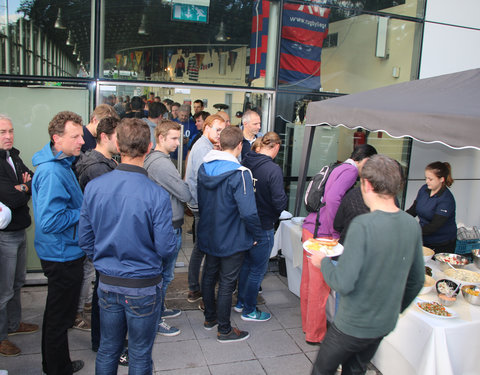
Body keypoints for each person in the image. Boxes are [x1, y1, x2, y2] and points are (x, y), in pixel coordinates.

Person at [309, 154, 424, 375]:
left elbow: (343, 282)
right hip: (383, 323)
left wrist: (322, 263)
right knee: (356, 369)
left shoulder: (363, 225)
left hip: (352, 324)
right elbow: (417, 280)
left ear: (367, 184)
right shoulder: (411, 225)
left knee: (322, 370)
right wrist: (394, 310)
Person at [79, 118, 176, 374]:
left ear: (118, 145)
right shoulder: (156, 194)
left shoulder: (95, 187)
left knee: (108, 348)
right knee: (140, 352)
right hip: (143, 286)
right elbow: (166, 248)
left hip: (108, 283)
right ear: (150, 147)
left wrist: (104, 261)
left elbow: (85, 239)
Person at [301, 144, 377, 345]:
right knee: (320, 288)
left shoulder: (339, 166)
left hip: (310, 228)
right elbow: (334, 199)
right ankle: (315, 334)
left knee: (308, 284)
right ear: (365, 160)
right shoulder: (351, 171)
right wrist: (336, 231)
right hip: (323, 234)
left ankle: (307, 325)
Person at [31, 111, 86, 374]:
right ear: (57, 138)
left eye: (81, 136)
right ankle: (56, 368)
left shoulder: (61, 162)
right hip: (62, 254)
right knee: (58, 317)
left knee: (59, 315)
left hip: (64, 250)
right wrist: (85, 212)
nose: (81, 141)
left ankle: (59, 364)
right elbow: (50, 222)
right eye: (75, 136)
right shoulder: (53, 171)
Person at [197, 126, 263, 342]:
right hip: (233, 236)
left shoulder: (203, 168)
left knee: (209, 276)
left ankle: (210, 318)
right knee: (226, 283)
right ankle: (224, 329)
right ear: (239, 146)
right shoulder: (241, 174)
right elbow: (249, 212)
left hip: (208, 233)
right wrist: (256, 234)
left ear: (220, 144)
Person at [144, 120, 194, 337]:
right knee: (163, 276)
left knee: (164, 275)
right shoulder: (161, 164)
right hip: (166, 226)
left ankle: (159, 309)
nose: (177, 142)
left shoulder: (159, 160)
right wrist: (183, 185)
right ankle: (155, 319)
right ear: (161, 138)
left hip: (164, 223)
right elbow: (185, 193)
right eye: (173, 138)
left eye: (178, 137)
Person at [76, 116, 119, 345]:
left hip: (102, 240)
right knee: (104, 295)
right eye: (117, 137)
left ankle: (102, 340)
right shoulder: (97, 168)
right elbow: (109, 208)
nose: (121, 142)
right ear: (104, 137)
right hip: (103, 240)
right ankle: (103, 342)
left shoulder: (105, 162)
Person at [236, 132, 288, 321]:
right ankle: (249, 310)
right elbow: (279, 201)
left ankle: (241, 302)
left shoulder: (246, 162)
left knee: (246, 265)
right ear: (275, 147)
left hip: (245, 222)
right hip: (264, 224)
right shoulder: (272, 170)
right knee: (257, 269)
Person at [0, 115, 38, 357]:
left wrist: (23, 187)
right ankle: (1, 337)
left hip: (19, 228)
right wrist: (23, 189)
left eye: (11, 131)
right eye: (3, 132)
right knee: (3, 290)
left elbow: (31, 180)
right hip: (4, 235)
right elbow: (12, 198)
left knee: (16, 283)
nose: (8, 136)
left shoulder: (13, 155)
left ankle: (13, 325)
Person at [185, 114, 227, 303]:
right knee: (202, 247)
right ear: (206, 128)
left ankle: (195, 287)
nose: (220, 134)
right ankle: (195, 288)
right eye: (217, 130)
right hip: (202, 205)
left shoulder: (207, 145)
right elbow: (207, 180)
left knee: (201, 246)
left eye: (223, 131)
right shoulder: (203, 147)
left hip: (200, 203)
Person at [406, 161, 457, 253]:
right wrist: (398, 219)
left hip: (441, 244)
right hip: (424, 239)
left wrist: (411, 231)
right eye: (426, 178)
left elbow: (434, 226)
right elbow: (413, 210)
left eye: (430, 179)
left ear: (441, 179)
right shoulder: (424, 189)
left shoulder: (446, 199)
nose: (427, 181)